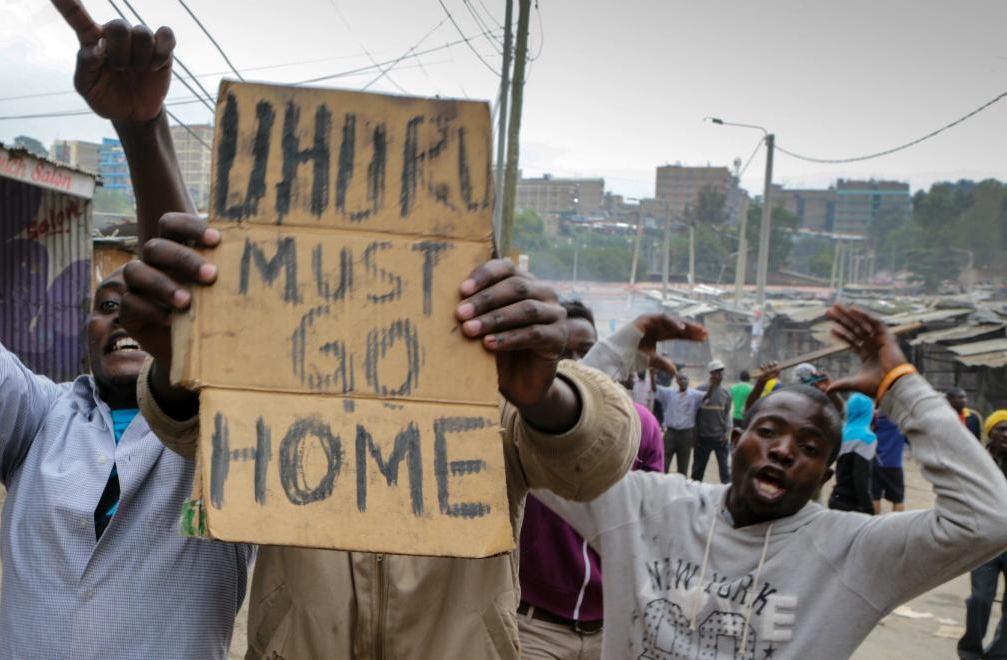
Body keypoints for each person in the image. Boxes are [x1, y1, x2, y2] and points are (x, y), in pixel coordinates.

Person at [118, 143, 706, 659]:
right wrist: (178, 358)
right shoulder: (285, 380)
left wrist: (544, 393)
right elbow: (187, 424)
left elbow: (594, 462)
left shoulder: (489, 395)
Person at [0, 9, 255, 658]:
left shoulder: (226, 443)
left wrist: (141, 129)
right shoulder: (40, 422)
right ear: (86, 333)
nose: (122, 315)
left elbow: (194, 321)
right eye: (106, 303)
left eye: (141, 299)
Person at [535, 304, 1007, 659]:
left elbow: (988, 518)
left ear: (825, 475)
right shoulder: (648, 506)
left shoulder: (854, 552)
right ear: (736, 440)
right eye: (768, 432)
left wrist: (901, 385)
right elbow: (539, 446)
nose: (783, 450)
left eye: (809, 447)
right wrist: (621, 347)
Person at [515, 304, 665, 660]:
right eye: (562, 353)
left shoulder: (643, 426)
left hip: (610, 629)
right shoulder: (522, 424)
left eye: (587, 352)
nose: (576, 364)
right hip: (534, 628)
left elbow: (650, 524)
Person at [959, 410, 1007, 659]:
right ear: (990, 432)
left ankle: (1000, 654)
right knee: (979, 599)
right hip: (985, 544)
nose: (1006, 434)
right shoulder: (978, 461)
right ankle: (970, 651)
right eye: (1001, 429)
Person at [828, 392, 877, 514]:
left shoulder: (842, 432)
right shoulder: (867, 438)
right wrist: (868, 509)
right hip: (853, 504)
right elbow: (861, 477)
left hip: (837, 497)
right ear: (867, 412)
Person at [655, 371, 707, 476]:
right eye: (681, 379)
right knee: (663, 462)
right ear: (677, 381)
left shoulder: (694, 395)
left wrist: (713, 384)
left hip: (686, 434)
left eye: (685, 379)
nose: (683, 381)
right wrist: (652, 375)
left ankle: (680, 487)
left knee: (683, 465)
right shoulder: (669, 393)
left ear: (688, 381)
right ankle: (661, 484)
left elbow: (707, 396)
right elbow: (655, 389)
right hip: (670, 433)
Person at [691, 360, 732, 484]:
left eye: (721, 373)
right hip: (703, 439)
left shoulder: (726, 393)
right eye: (717, 373)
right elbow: (694, 414)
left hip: (720, 439)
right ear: (711, 374)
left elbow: (727, 415)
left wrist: (727, 433)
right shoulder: (700, 391)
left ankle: (726, 497)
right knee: (697, 471)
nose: (720, 376)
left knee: (725, 471)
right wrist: (695, 435)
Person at [871, 410, 907, 514]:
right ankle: (896, 526)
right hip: (894, 465)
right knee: (898, 499)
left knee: (874, 496)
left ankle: (873, 523)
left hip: (875, 463)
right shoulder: (899, 424)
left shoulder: (874, 420)